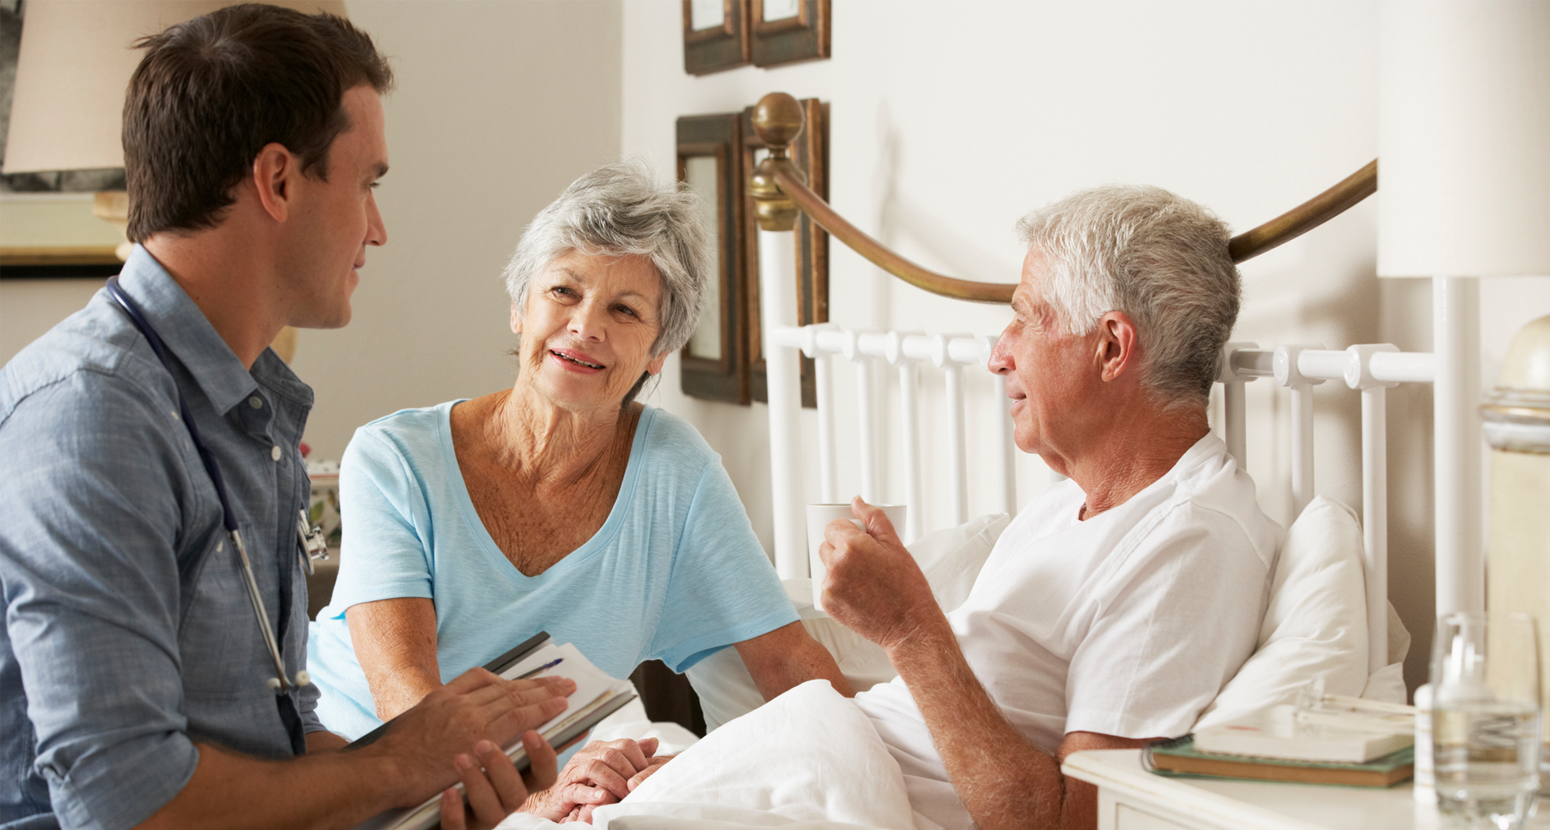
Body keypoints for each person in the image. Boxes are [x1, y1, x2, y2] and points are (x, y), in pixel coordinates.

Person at [0, 6, 572, 830]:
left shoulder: (246, 416)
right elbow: (123, 802)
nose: (378, 229)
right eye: (367, 183)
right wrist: (394, 764)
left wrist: (441, 773)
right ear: (276, 180)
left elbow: (278, 744)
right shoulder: (90, 421)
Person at [305, 163, 851, 744]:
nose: (585, 326)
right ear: (520, 309)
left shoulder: (675, 472)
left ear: (657, 352)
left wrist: (889, 783)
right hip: (371, 771)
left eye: (625, 310)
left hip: (546, 787)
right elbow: (405, 697)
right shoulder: (394, 459)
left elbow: (787, 662)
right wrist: (538, 798)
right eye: (564, 291)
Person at [816, 184, 1284, 830]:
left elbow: (1076, 824)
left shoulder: (1190, 543)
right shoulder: (1060, 507)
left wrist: (908, 627)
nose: (995, 355)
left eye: (1024, 319)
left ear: (1113, 348)